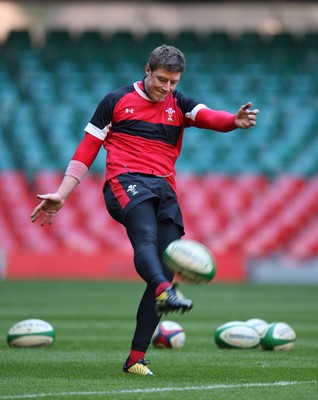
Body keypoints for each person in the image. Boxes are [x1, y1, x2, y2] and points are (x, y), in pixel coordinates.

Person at [31, 44, 259, 376]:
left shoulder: (179, 103)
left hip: (164, 189)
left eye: (173, 82)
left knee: (168, 263)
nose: (167, 88)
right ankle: (165, 292)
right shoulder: (116, 101)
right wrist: (63, 194)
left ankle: (136, 358)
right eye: (162, 79)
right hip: (124, 181)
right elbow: (86, 149)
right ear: (147, 69)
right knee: (147, 239)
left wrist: (233, 121)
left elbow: (208, 116)